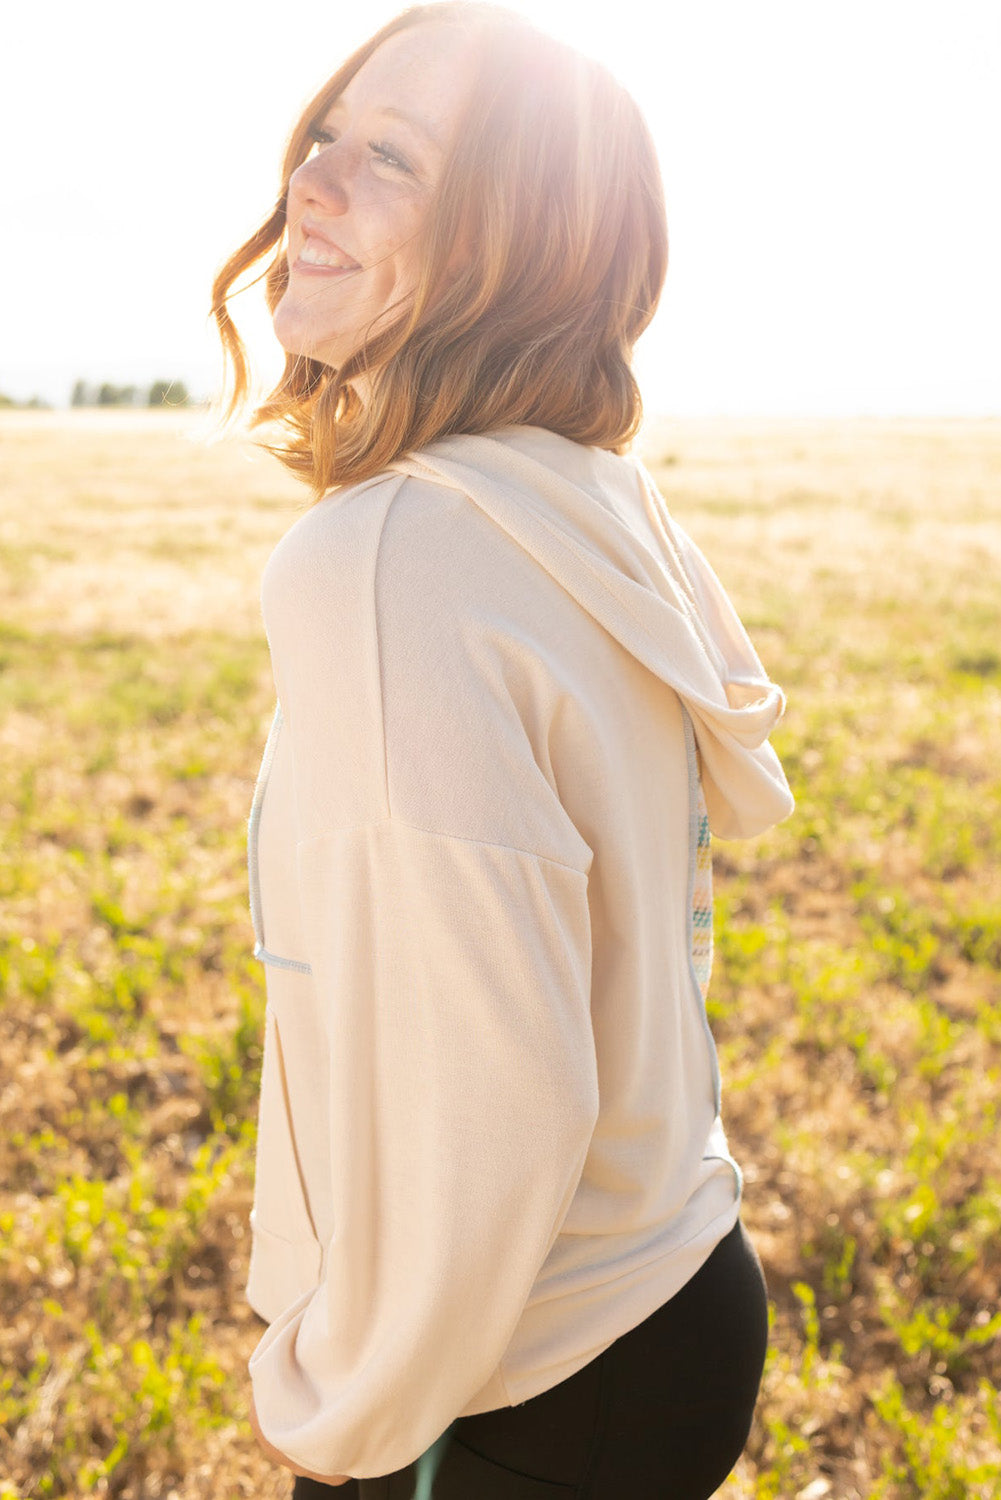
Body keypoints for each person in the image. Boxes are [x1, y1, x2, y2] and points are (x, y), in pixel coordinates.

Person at [210, 4, 795, 1496]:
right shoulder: (587, 497)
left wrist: (339, 1405)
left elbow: (495, 1096)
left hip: (507, 1388)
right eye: (324, 137)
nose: (311, 187)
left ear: (514, 242)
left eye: (390, 158)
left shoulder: (390, 553)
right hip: (673, 1294)